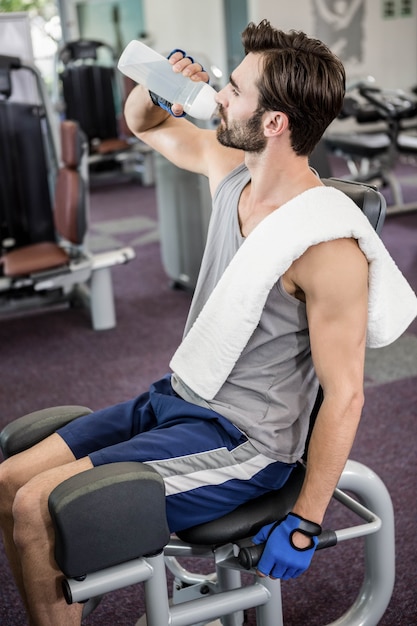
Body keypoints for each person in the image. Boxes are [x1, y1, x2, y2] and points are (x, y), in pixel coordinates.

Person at [0, 19, 416, 626]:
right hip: (178, 399)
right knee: (12, 479)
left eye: (236, 89)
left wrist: (305, 521)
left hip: (243, 440)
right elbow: (145, 124)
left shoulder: (326, 247)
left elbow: (347, 396)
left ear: (274, 123)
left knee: (43, 504)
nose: (220, 95)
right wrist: (159, 87)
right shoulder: (232, 171)